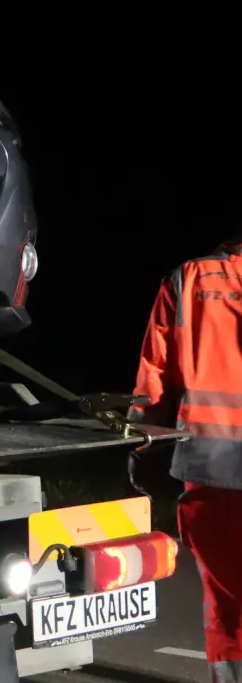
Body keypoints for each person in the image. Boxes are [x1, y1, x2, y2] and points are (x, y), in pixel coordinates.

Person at [128, 232, 241, 683]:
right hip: (212, 478)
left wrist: (143, 453)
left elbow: (153, 380)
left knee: (229, 611)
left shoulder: (190, 279)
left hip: (213, 475)